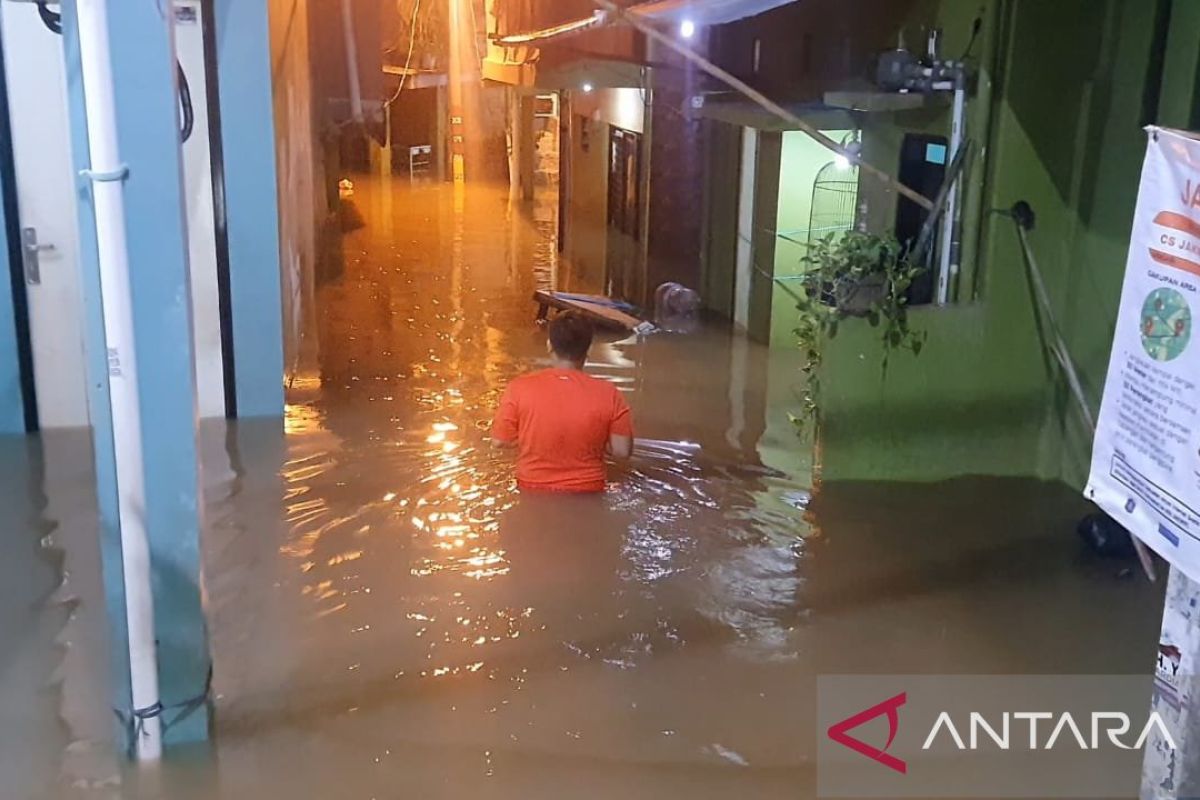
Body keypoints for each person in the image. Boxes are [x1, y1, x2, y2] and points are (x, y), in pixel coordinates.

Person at [491, 312, 633, 492]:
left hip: (531, 487)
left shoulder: (519, 388)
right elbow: (622, 451)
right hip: (589, 490)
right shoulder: (610, 394)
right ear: (588, 349)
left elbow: (499, 442)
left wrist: (532, 438)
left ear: (549, 345)